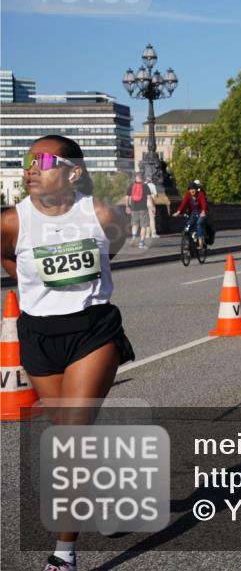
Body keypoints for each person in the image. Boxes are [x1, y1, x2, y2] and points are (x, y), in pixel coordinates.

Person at [1, 135, 132, 571]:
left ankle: (64, 554)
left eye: (43, 160)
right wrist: (35, 286)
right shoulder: (11, 222)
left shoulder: (101, 214)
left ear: (73, 172)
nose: (31, 168)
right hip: (39, 337)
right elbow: (8, 258)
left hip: (92, 332)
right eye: (28, 161)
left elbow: (114, 248)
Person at [173, 181, 209, 248]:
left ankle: (200, 242)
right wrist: (178, 212)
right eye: (190, 189)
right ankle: (188, 243)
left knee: (199, 223)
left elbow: (204, 203)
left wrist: (203, 211)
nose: (192, 191)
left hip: (201, 213)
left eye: (193, 189)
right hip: (192, 213)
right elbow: (183, 204)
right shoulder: (187, 195)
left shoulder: (200, 194)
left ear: (196, 189)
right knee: (187, 227)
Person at [124, 172, 151, 248]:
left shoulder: (131, 186)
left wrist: (127, 206)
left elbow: (127, 197)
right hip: (143, 209)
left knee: (135, 224)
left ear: (136, 177)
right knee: (143, 226)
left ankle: (133, 238)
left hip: (134, 208)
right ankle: (141, 243)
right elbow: (149, 198)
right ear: (142, 178)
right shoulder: (145, 186)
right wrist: (152, 207)